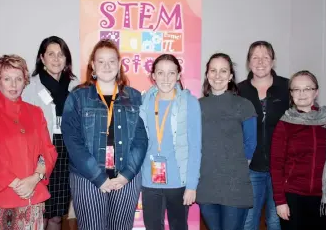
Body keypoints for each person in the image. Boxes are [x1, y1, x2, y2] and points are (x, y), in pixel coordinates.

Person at [61, 39, 148, 230]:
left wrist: (127, 174)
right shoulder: (77, 97)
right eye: (101, 61)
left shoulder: (134, 97)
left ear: (119, 64)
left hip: (125, 177)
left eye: (111, 61)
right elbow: (72, 141)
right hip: (87, 178)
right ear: (93, 65)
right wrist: (98, 177)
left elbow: (141, 140)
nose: (106, 66)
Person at [0, 54, 58, 229]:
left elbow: (48, 152)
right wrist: (17, 184)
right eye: (7, 79)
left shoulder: (36, 113)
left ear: (25, 81)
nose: (13, 85)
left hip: (31, 197)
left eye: (18, 79)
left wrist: (35, 178)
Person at [139, 54, 202, 230]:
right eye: (160, 73)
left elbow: (195, 146)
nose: (166, 78)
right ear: (153, 76)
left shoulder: (190, 103)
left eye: (171, 73)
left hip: (178, 181)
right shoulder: (144, 102)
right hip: (149, 180)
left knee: (178, 226)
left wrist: (191, 185)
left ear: (178, 75)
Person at [22, 36, 78, 229]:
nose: (56, 59)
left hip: (66, 152)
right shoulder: (30, 87)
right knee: (40, 214)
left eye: (61, 54)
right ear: (42, 58)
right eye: (51, 54)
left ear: (66, 59)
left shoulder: (74, 86)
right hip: (40, 153)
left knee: (57, 214)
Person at [270, 70, 326, 230]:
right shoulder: (285, 123)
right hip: (294, 196)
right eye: (296, 89)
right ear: (291, 93)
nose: (302, 93)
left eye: (307, 88)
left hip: (323, 197)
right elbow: (276, 165)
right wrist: (280, 201)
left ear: (316, 92)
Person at [197, 53, 257, 230]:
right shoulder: (196, 105)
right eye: (213, 70)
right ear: (207, 74)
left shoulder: (244, 105)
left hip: (234, 185)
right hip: (206, 184)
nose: (217, 75)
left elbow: (250, 143)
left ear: (231, 76)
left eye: (223, 71)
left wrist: (234, 170)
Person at [238, 41, 289, 230]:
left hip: (281, 168)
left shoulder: (287, 88)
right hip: (251, 167)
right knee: (248, 221)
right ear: (248, 63)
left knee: (275, 221)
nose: (260, 62)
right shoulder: (239, 91)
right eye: (255, 57)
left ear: (273, 61)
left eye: (265, 57)